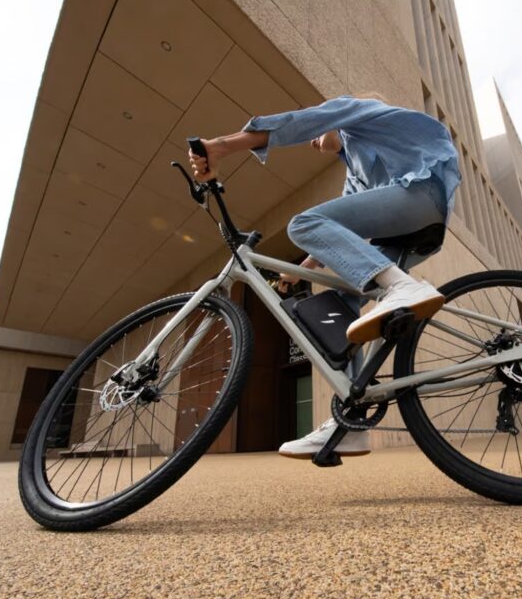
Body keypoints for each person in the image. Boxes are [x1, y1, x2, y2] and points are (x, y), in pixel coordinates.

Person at [189, 93, 460, 458]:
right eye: (317, 138)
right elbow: (336, 231)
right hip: (412, 231)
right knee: (344, 305)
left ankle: (402, 288)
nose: (316, 142)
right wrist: (303, 269)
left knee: (303, 222)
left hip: (421, 193)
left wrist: (222, 146)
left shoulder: (358, 112)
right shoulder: (354, 174)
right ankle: (350, 423)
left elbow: (304, 123)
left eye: (322, 134)